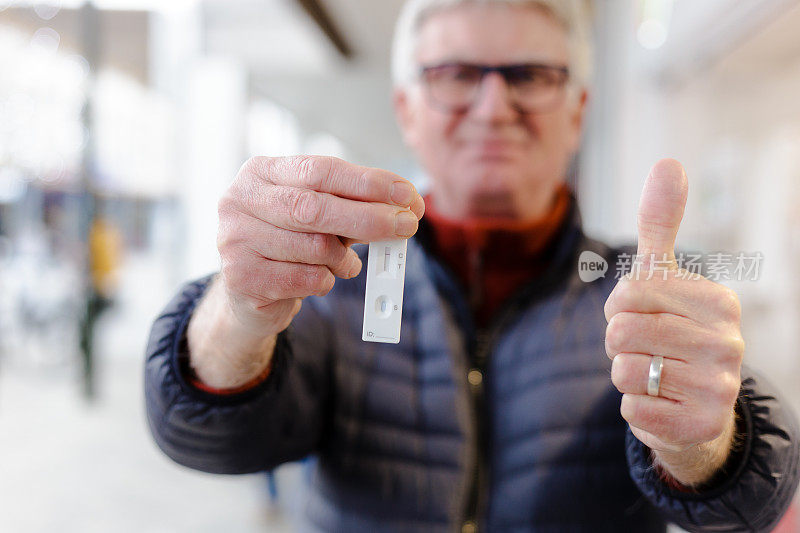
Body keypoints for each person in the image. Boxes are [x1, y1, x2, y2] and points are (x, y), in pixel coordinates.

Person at [144, 1, 800, 531]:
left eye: (530, 75)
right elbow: (206, 439)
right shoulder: (333, 274)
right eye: (455, 74)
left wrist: (702, 443)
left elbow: (755, 499)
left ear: (577, 111)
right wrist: (239, 310)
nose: (493, 107)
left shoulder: (646, 284)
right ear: (407, 109)